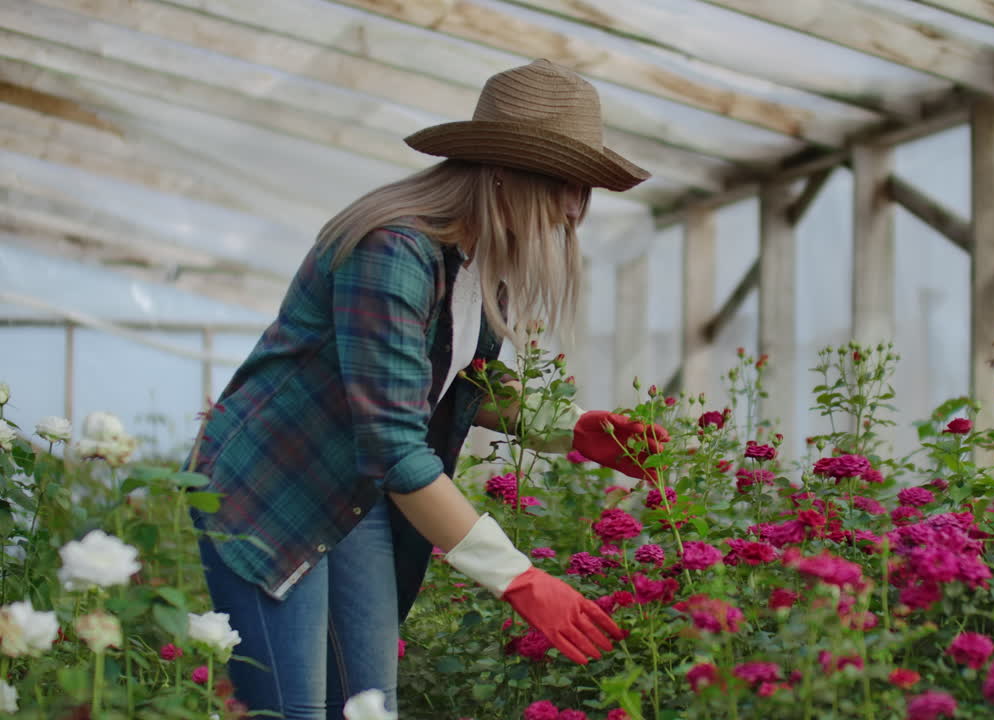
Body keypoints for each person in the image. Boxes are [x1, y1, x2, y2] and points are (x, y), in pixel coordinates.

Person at [187, 59, 668, 719]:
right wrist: (521, 580)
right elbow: (393, 446)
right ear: (502, 170)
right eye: (565, 184)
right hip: (274, 491)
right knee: (293, 711)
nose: (574, 209)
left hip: (356, 490)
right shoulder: (392, 250)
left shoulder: (475, 257)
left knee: (367, 706)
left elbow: (455, 380)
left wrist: (574, 430)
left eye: (583, 189)